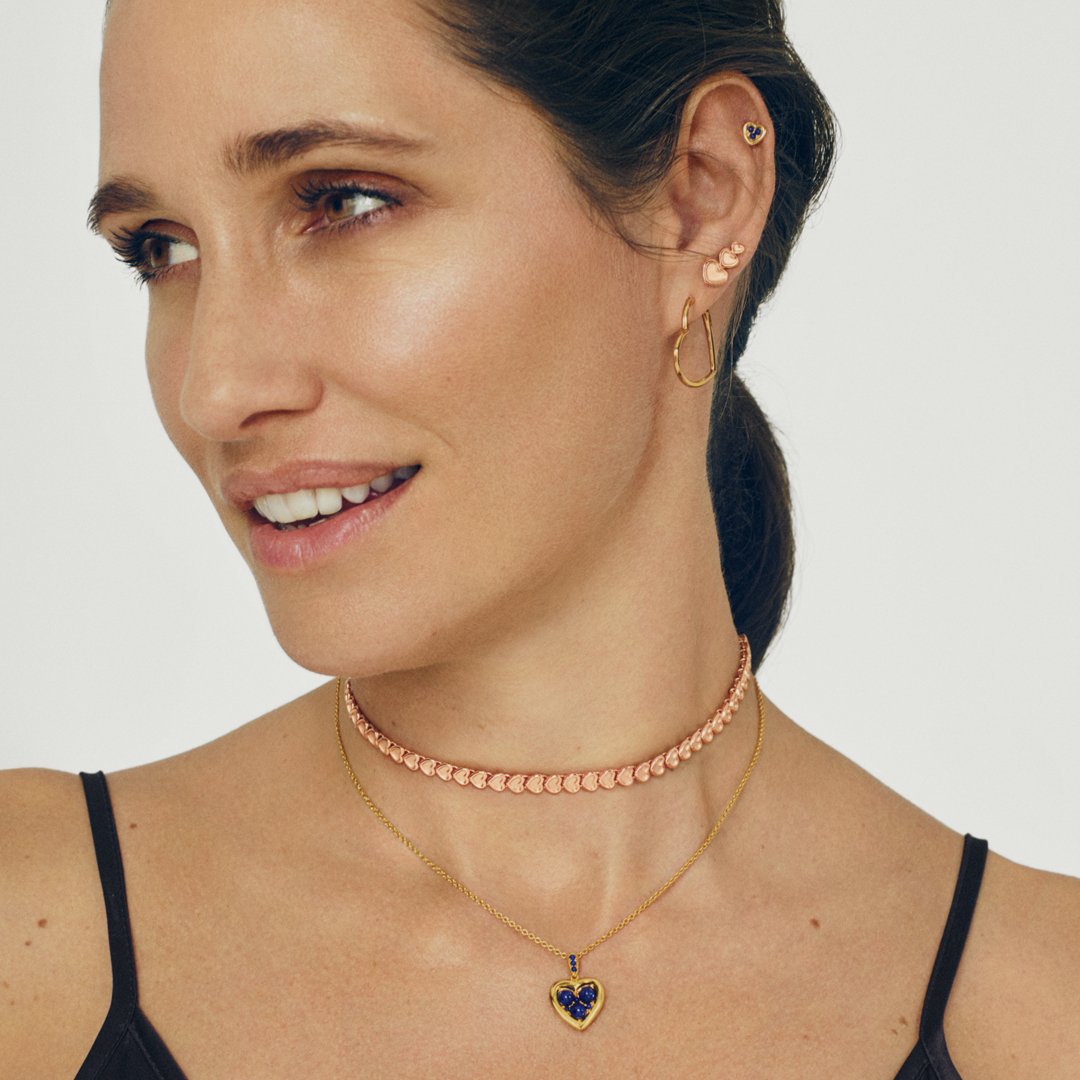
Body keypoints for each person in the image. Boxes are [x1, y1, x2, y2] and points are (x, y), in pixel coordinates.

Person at [2, 0, 1078, 1077]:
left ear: (701, 198)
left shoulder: (1044, 1006)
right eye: (161, 248)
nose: (216, 388)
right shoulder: (29, 928)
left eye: (343, 201)